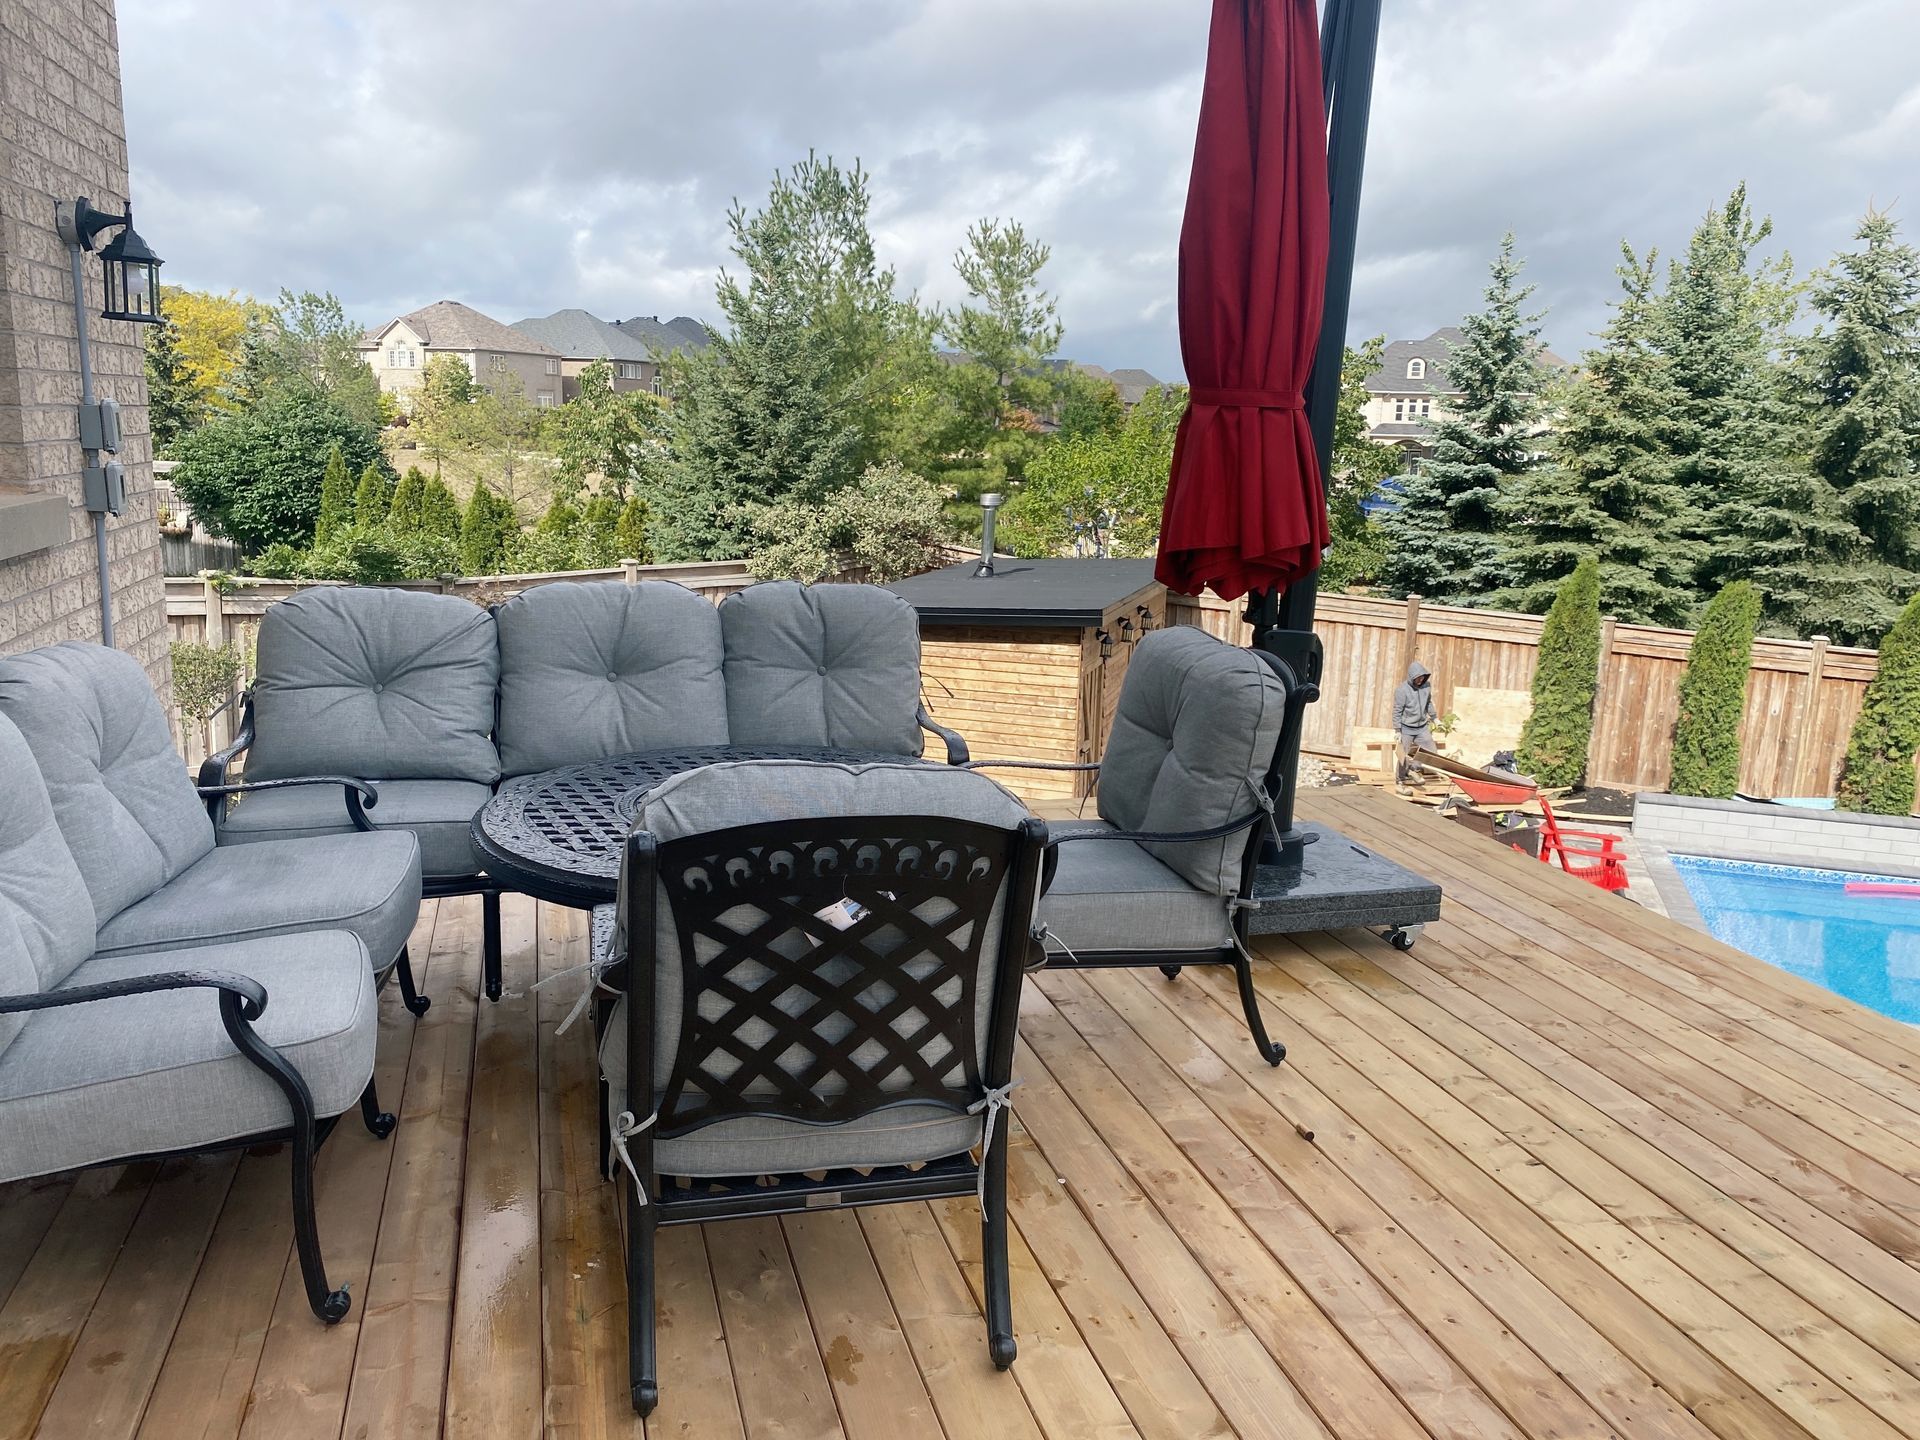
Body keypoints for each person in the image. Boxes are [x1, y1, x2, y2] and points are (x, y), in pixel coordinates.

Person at [1393, 660, 1437, 784]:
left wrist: (1435, 718)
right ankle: (1400, 780)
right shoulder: (1402, 690)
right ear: (1412, 677)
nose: (1419, 680)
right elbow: (1397, 711)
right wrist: (1397, 730)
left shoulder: (1426, 686)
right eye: (1417, 678)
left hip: (1422, 727)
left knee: (1431, 752)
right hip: (1406, 728)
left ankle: (1413, 769)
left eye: (1421, 677)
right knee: (1402, 756)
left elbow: (1428, 703)